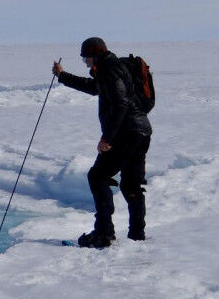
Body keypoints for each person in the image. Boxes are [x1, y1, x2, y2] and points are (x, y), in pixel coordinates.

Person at [52, 37, 152, 248]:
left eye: (86, 59)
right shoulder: (111, 69)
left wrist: (107, 138)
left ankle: (104, 233)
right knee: (130, 184)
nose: (86, 63)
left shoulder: (110, 70)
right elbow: (93, 87)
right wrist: (62, 76)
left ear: (95, 56)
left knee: (97, 176)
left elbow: (121, 104)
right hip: (141, 132)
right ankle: (137, 236)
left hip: (127, 133)